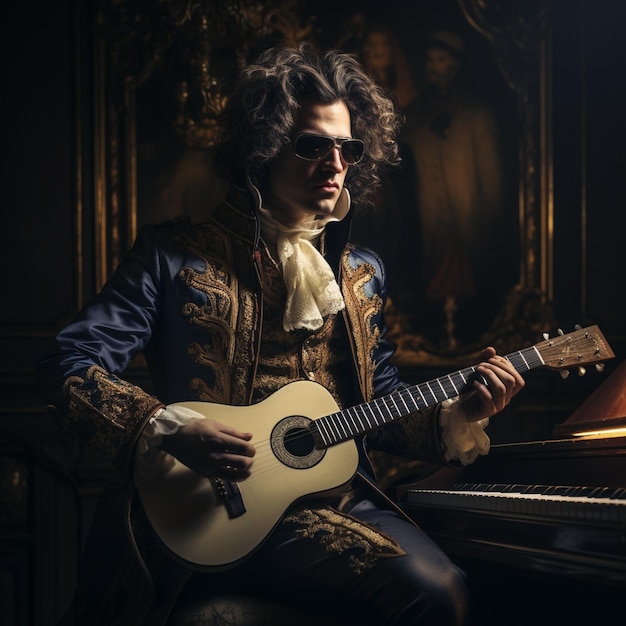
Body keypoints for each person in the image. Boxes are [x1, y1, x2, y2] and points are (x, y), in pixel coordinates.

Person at [36, 42, 525, 626]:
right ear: (262, 148)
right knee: (434, 593)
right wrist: (164, 428)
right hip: (207, 508)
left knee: (464, 588)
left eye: (348, 148)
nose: (335, 163)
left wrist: (458, 411)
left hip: (339, 500)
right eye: (313, 145)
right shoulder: (171, 256)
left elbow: (379, 403)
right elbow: (68, 362)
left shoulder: (360, 273)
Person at [402, 31, 506, 349]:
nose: (434, 68)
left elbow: (492, 186)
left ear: (456, 65)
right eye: (430, 60)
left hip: (467, 225)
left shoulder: (478, 115)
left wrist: (486, 225)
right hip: (429, 225)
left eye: (442, 60)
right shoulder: (413, 115)